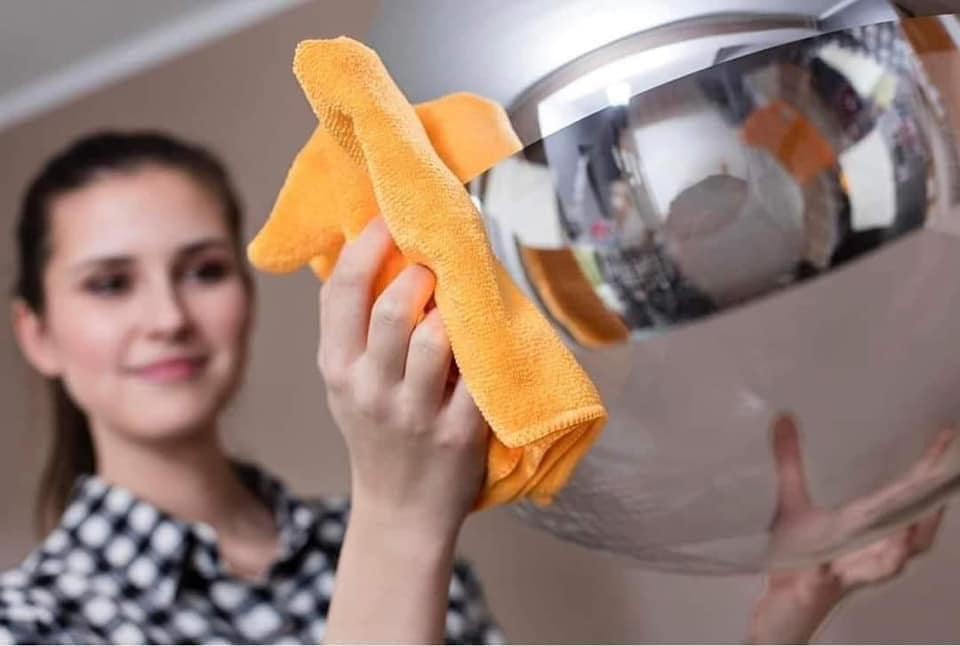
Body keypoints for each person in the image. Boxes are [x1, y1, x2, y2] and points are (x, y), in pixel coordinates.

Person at [0, 130, 946, 645]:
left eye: (203, 270)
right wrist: (402, 516)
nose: (167, 317)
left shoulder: (367, 546)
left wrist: (787, 611)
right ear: (36, 333)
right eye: (109, 284)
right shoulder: (33, 624)